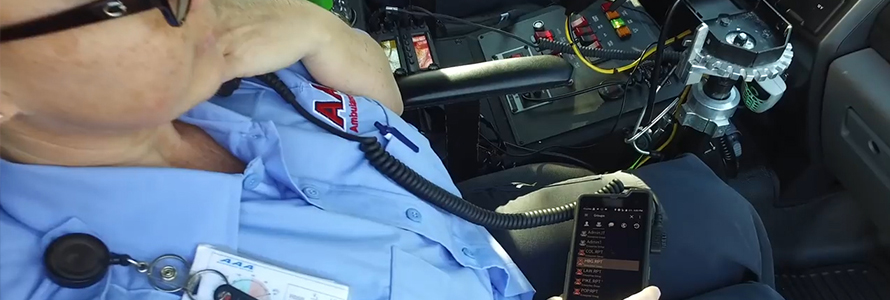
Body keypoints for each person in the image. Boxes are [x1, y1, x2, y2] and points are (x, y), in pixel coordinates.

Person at [0, 0, 782, 299]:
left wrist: (318, 31)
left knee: (716, 213)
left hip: (472, 249)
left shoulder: (227, 78)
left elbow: (382, 121)